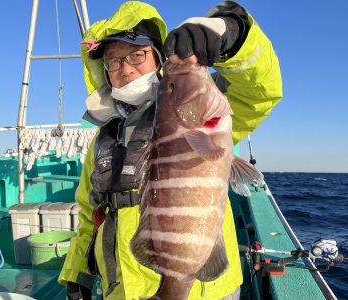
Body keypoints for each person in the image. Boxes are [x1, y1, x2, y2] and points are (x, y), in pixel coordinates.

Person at [59, 1, 283, 299]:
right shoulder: (103, 141)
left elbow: (260, 91)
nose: (125, 69)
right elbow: (90, 216)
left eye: (137, 55)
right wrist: (79, 277)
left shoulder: (211, 115)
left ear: (158, 59)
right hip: (121, 290)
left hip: (203, 292)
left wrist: (232, 34)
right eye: (114, 62)